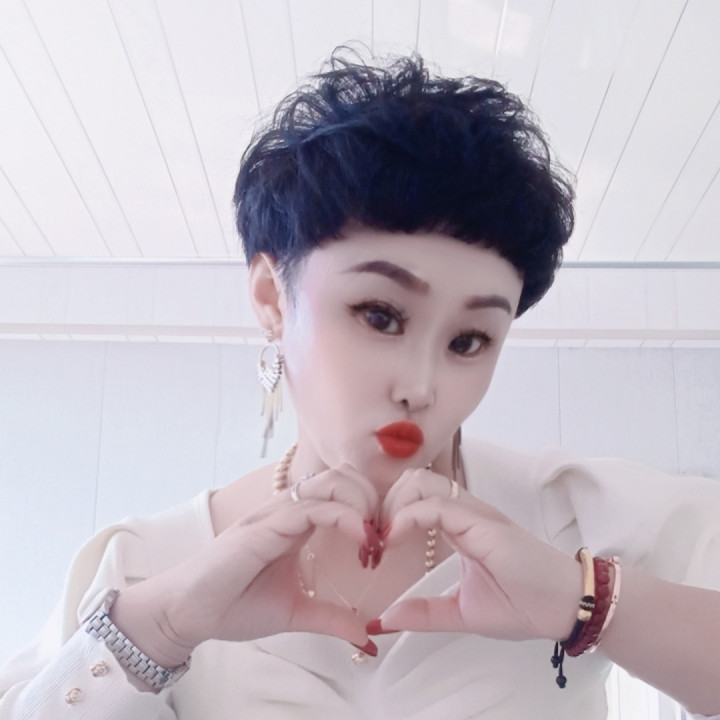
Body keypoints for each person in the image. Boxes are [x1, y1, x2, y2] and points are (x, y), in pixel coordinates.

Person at [1, 48, 719, 720]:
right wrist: (158, 630)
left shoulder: (581, 519)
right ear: (271, 298)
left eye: (468, 341)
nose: (420, 386)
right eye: (380, 316)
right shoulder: (147, 566)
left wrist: (588, 603)